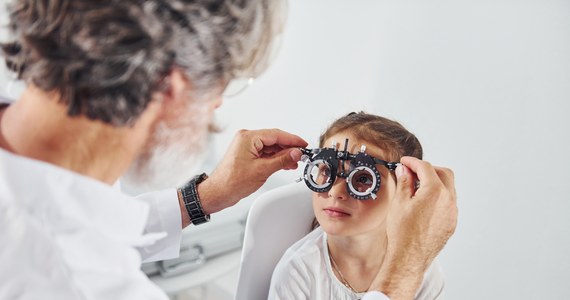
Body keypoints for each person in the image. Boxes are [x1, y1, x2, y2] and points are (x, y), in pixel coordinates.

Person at [0, 0, 457, 299]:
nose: (218, 104)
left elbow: (83, 221)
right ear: (171, 86)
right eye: (223, 83)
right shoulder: (73, 279)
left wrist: (202, 197)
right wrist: (406, 266)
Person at [269, 112, 445, 299]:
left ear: (406, 189)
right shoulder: (298, 272)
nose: (335, 191)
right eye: (327, 170)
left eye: (363, 178)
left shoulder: (421, 273)